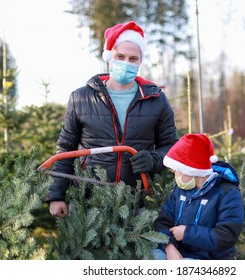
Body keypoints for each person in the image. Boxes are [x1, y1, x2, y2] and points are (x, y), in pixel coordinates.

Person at [45, 21, 178, 218]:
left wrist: (154, 159)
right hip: (87, 202)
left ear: (140, 61)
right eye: (120, 56)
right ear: (109, 57)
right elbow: (66, 148)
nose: (126, 63)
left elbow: (171, 147)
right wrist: (56, 195)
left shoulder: (156, 100)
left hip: (133, 203)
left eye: (133, 58)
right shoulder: (81, 97)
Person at [153, 134, 244, 260]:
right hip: (177, 252)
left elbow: (226, 236)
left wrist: (187, 233)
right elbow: (162, 223)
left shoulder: (228, 193)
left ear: (191, 170)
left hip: (209, 258)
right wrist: (169, 247)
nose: (175, 176)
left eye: (176, 171)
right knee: (153, 257)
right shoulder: (180, 190)